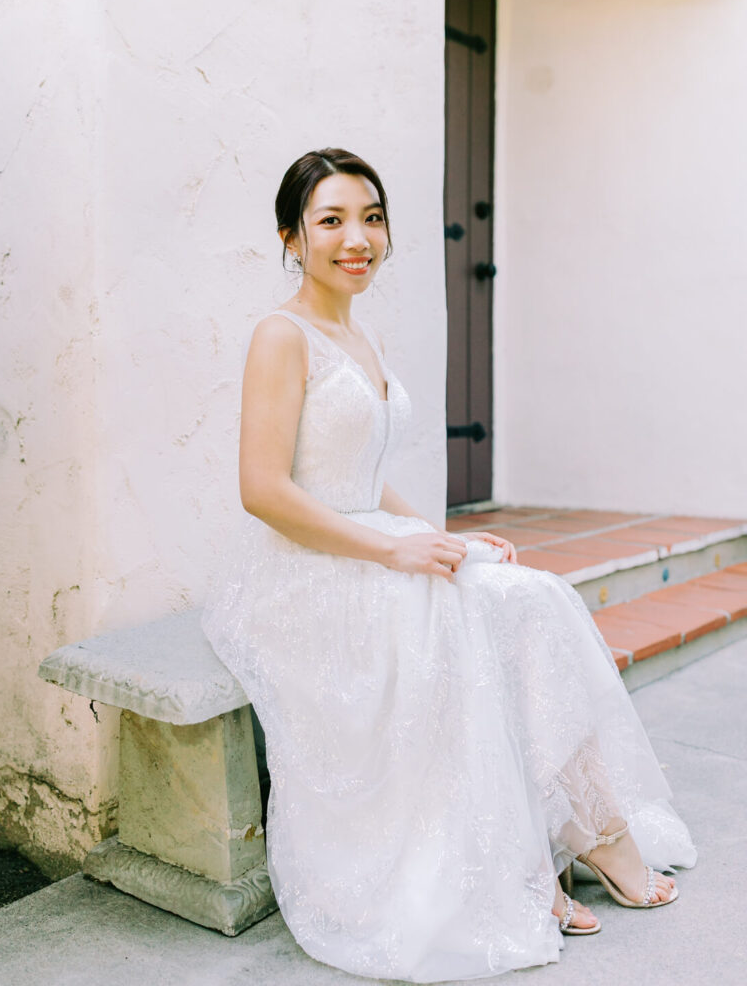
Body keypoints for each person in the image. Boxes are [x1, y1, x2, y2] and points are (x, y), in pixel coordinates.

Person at [203, 148, 695, 982]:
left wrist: (438, 536)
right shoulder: (279, 335)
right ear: (290, 236)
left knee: (529, 598)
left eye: (371, 217)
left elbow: (359, 472)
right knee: (467, 616)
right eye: (331, 220)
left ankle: (587, 829)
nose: (357, 238)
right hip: (305, 572)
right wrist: (397, 550)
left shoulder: (358, 331)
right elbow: (264, 490)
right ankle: (535, 863)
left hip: (365, 543)